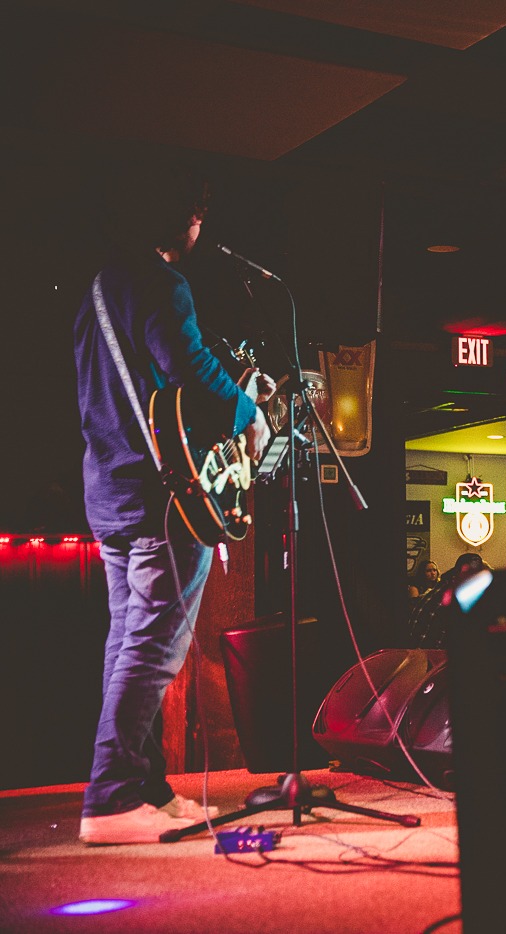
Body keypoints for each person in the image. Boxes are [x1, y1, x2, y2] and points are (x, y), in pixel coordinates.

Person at [74, 164, 273, 844]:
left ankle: (142, 789)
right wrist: (247, 408)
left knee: (127, 642)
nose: (200, 226)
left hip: (110, 492)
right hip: (160, 498)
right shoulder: (161, 284)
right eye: (197, 215)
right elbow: (191, 370)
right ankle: (108, 799)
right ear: (182, 216)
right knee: (154, 647)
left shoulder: (96, 291)